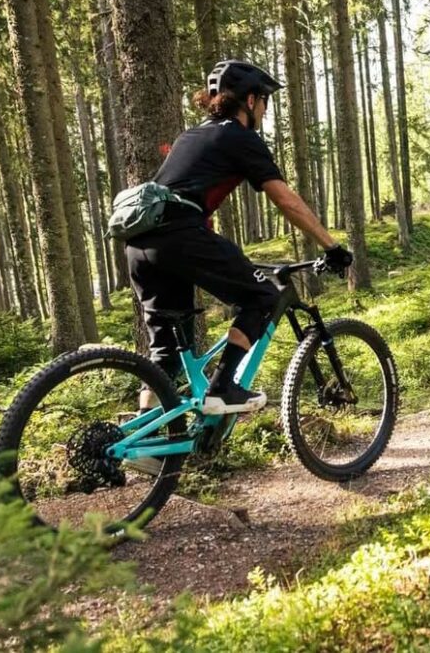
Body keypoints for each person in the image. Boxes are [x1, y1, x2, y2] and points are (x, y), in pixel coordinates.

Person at [126, 59, 352, 415]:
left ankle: (153, 447)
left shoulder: (191, 135)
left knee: (166, 356)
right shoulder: (239, 137)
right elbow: (285, 200)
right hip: (180, 238)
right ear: (250, 101)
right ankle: (222, 388)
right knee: (262, 296)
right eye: (264, 101)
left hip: (140, 245)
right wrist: (331, 246)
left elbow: (186, 192)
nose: (264, 109)